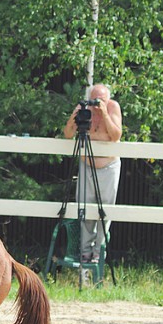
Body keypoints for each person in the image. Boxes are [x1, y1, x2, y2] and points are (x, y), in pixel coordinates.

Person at [63, 84, 122, 263]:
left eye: (100, 101)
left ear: (107, 99)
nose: (96, 105)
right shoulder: (84, 110)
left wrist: (103, 113)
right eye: (94, 100)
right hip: (86, 166)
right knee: (85, 210)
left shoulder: (113, 108)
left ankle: (98, 253)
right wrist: (74, 116)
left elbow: (116, 135)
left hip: (109, 167)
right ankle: (85, 252)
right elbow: (67, 134)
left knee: (104, 213)